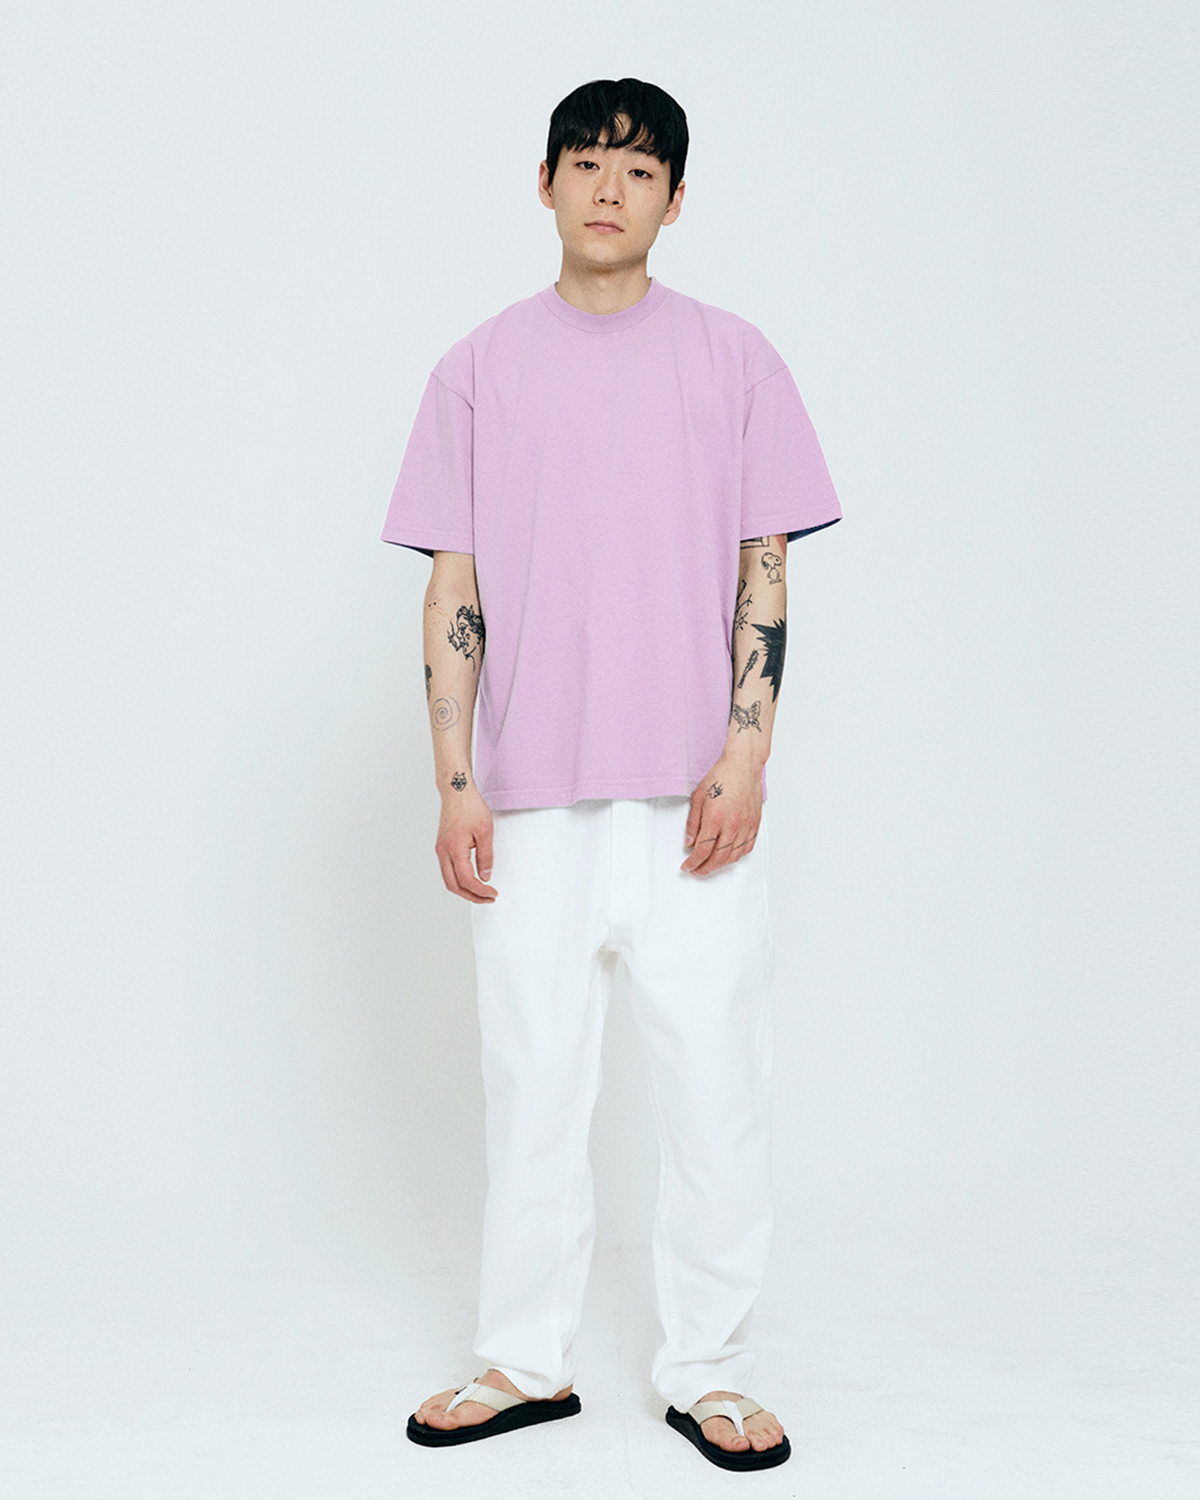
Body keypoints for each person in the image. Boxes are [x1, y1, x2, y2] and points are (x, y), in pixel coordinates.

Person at [381, 78, 841, 1473]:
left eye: (639, 171)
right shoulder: (477, 370)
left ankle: (712, 1371)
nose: (608, 188)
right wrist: (454, 779)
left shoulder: (736, 361)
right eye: (585, 162)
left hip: (696, 794)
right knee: (531, 1087)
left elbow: (767, 567)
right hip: (529, 795)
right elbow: (452, 587)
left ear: (675, 201)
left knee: (715, 1086)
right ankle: (525, 1361)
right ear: (544, 183)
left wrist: (747, 751)